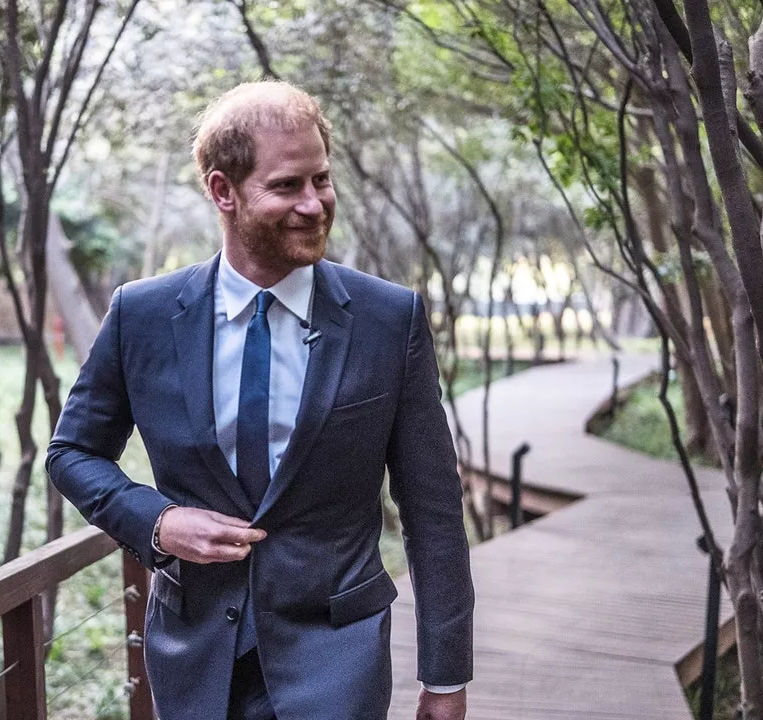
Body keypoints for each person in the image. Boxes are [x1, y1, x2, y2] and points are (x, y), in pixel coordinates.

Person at [46, 80, 473, 720]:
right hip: (193, 657)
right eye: (286, 186)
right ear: (223, 191)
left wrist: (444, 679)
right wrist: (158, 523)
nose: (314, 204)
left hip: (339, 658)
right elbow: (72, 452)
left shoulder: (390, 319)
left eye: (321, 180)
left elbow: (432, 505)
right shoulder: (144, 315)